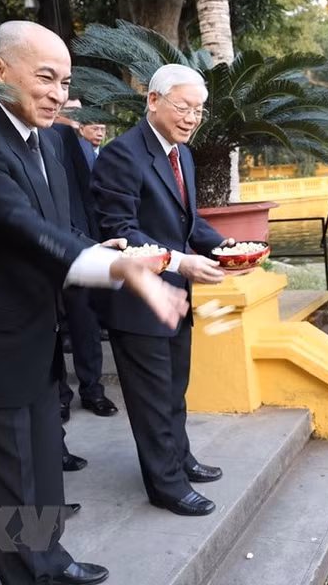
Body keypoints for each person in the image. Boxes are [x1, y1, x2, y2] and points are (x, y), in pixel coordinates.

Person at [0, 20, 190, 585]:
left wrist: (100, 249)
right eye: (45, 77)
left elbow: (53, 227)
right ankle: (38, 570)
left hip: (29, 330)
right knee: (13, 472)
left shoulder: (45, 140)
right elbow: (13, 224)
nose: (58, 93)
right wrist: (116, 267)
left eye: (64, 81)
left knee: (32, 461)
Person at [92, 64, 234, 517]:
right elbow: (120, 230)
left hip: (177, 296)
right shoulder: (121, 154)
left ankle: (181, 459)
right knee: (151, 399)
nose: (192, 117)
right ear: (152, 101)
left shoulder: (182, 154)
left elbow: (188, 223)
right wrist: (180, 261)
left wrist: (228, 247)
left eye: (199, 110)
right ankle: (166, 486)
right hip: (138, 300)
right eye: (183, 107)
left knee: (174, 389)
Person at [52, 100, 117, 419]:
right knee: (50, 328)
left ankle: (92, 390)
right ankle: (59, 396)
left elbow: (86, 197)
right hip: (39, 245)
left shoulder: (70, 141)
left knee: (84, 321)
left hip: (79, 245)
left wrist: (95, 246)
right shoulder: (21, 136)